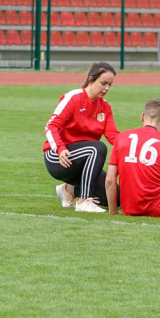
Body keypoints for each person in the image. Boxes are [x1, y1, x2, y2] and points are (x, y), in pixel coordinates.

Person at [44, 62, 120, 213]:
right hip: (58, 158)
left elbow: (113, 136)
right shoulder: (73, 98)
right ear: (91, 79)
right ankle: (84, 201)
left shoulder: (105, 107)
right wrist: (60, 148)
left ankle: (68, 190)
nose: (107, 89)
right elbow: (51, 126)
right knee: (97, 148)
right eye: (103, 83)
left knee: (116, 198)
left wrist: (135, 144)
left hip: (84, 162)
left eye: (110, 85)